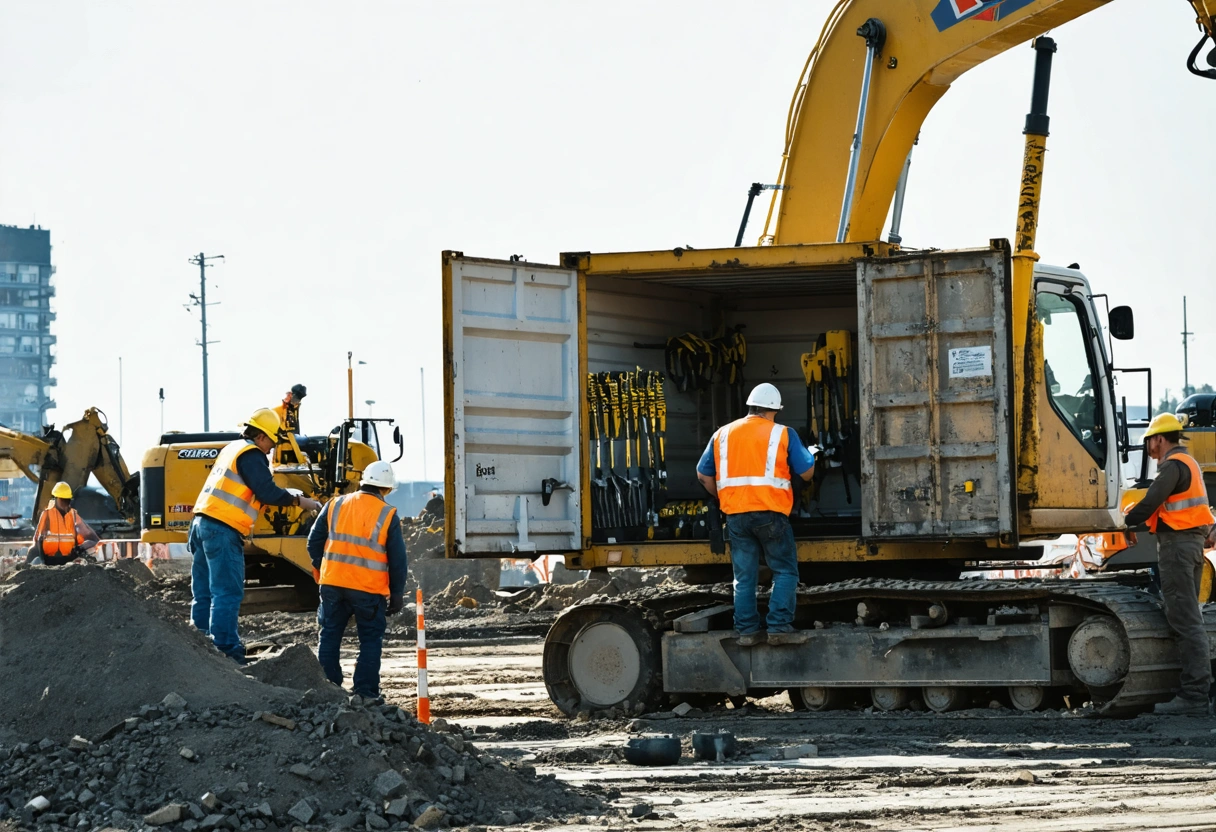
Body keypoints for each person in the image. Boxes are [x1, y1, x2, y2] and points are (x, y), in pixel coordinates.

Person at [189, 408, 322, 662]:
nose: (271, 450)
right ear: (261, 436)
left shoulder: (232, 449)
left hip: (201, 524)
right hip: (222, 528)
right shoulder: (251, 454)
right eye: (272, 443)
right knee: (227, 593)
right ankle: (226, 651)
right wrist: (301, 501)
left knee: (204, 591)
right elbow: (268, 492)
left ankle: (199, 648)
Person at [696, 382, 815, 646]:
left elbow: (703, 475)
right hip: (770, 514)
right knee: (784, 571)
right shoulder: (783, 433)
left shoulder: (722, 434)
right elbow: (806, 472)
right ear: (774, 410)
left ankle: (747, 631)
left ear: (751, 406)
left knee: (744, 577)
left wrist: (725, 496)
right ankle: (778, 627)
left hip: (736, 516)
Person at [1124, 412, 1215, 715]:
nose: (1148, 446)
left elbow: (1150, 502)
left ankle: (1194, 695)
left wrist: (1125, 520)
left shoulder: (1172, 467)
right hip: (1190, 545)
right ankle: (1197, 691)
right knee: (1190, 618)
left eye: (1149, 440)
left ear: (1159, 439)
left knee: (1186, 620)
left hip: (1178, 548)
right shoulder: (1189, 464)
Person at [307, 460, 408, 700]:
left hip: (332, 583)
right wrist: (396, 594)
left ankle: (328, 688)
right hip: (368, 589)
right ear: (386, 489)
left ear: (362, 481)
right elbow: (397, 560)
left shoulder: (335, 504)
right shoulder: (387, 513)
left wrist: (320, 568)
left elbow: (313, 542)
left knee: (330, 634)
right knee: (370, 640)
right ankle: (365, 692)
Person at [26, 482, 100, 565]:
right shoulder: (47, 514)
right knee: (32, 552)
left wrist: (80, 548)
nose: (66, 503)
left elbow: (93, 538)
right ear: (56, 499)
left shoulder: (73, 515)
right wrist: (41, 560)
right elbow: (37, 540)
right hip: (49, 560)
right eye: (63, 500)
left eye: (67, 500)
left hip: (69, 561)